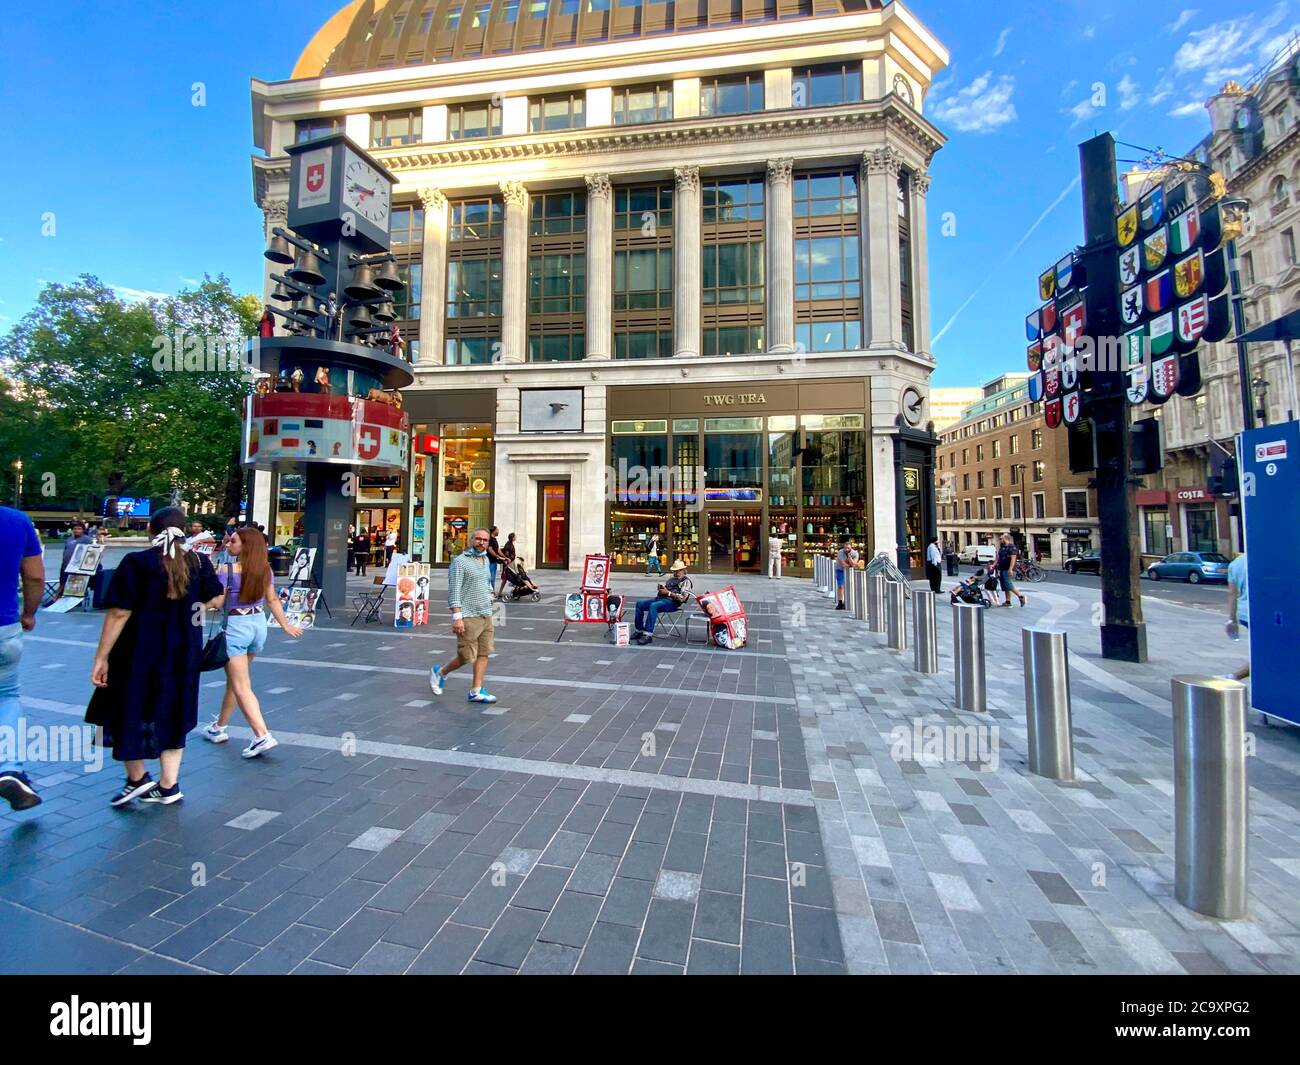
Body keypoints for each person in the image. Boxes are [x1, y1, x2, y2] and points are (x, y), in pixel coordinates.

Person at [86, 507, 225, 807]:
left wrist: (101, 656)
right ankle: (168, 784)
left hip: (137, 654)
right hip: (183, 655)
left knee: (128, 709)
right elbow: (216, 597)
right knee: (174, 711)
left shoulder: (137, 562)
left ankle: (137, 778)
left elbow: (119, 612)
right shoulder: (199, 563)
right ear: (186, 530)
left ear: (151, 529)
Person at [201, 527, 302, 757]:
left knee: (241, 685)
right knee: (235, 681)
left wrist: (194, 606)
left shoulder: (227, 570)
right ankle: (219, 727)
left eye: (233, 541)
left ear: (245, 545)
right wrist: (286, 625)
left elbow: (217, 602)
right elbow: (272, 599)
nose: (228, 545)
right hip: (258, 625)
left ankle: (261, 735)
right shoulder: (264, 569)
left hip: (236, 627)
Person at [0, 505, 46, 811]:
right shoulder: (15, 520)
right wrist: (28, 613)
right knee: (6, 695)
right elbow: (34, 576)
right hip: (4, 629)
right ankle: (9, 766)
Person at [430, 528, 498, 703]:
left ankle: (476, 690)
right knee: (467, 656)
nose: (481, 542)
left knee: (484, 653)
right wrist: (457, 617)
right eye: (478, 539)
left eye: (485, 540)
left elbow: (486, 582)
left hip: (486, 613)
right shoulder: (460, 562)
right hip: (468, 615)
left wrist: (491, 594)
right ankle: (441, 672)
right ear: (470, 540)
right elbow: (454, 590)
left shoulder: (485, 559)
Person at [633, 560, 692, 645]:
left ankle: (647, 635)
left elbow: (682, 598)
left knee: (654, 606)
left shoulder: (686, 581)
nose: (676, 573)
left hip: (672, 603)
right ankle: (639, 630)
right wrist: (661, 590)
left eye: (678, 571)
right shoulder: (671, 579)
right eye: (675, 571)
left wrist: (668, 593)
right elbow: (665, 591)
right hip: (661, 599)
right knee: (639, 604)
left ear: (683, 570)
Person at [1226, 552, 1249, 681]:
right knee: (1270, 651)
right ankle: (1234, 677)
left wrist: (1231, 620)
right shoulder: (1264, 558)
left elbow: (1232, 594)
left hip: (1244, 613)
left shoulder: (1235, 564)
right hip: (1261, 613)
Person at [58, 520, 95, 592]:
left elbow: (92, 553)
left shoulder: (86, 539)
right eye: (75, 529)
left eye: (79, 529)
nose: (76, 530)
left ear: (83, 530)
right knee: (63, 587)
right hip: (65, 567)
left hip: (77, 569)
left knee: (75, 591)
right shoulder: (69, 539)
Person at [996, 532, 1026, 608]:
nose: (1000, 540)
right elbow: (998, 557)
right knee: (1005, 586)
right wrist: (994, 564)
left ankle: (1020, 596)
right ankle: (1008, 601)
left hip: (1007, 568)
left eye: (1001, 538)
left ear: (1006, 538)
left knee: (1008, 584)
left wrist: (1010, 569)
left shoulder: (1012, 547)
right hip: (1001, 568)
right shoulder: (1002, 547)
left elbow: (1013, 559)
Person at [834, 535, 859, 611]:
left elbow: (854, 564)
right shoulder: (840, 552)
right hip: (840, 570)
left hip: (850, 572)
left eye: (848, 548)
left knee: (850, 586)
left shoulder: (855, 553)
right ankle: (840, 602)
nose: (846, 549)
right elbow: (843, 565)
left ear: (851, 548)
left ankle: (849, 601)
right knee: (840, 586)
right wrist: (852, 565)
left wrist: (849, 558)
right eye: (845, 548)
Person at [496, 532, 519, 597]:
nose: (516, 538)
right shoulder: (509, 545)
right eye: (515, 536)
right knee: (509, 577)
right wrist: (507, 561)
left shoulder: (510, 544)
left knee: (505, 579)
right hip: (508, 564)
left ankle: (500, 592)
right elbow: (507, 555)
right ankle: (514, 592)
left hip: (508, 563)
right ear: (513, 538)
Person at [486, 526, 504, 591]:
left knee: (492, 578)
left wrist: (504, 557)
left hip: (494, 562)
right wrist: (498, 556)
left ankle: (492, 592)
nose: (498, 531)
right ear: (494, 531)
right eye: (497, 530)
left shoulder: (494, 540)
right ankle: (491, 593)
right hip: (490, 562)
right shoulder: (490, 539)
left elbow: (498, 550)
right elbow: (490, 550)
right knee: (490, 579)